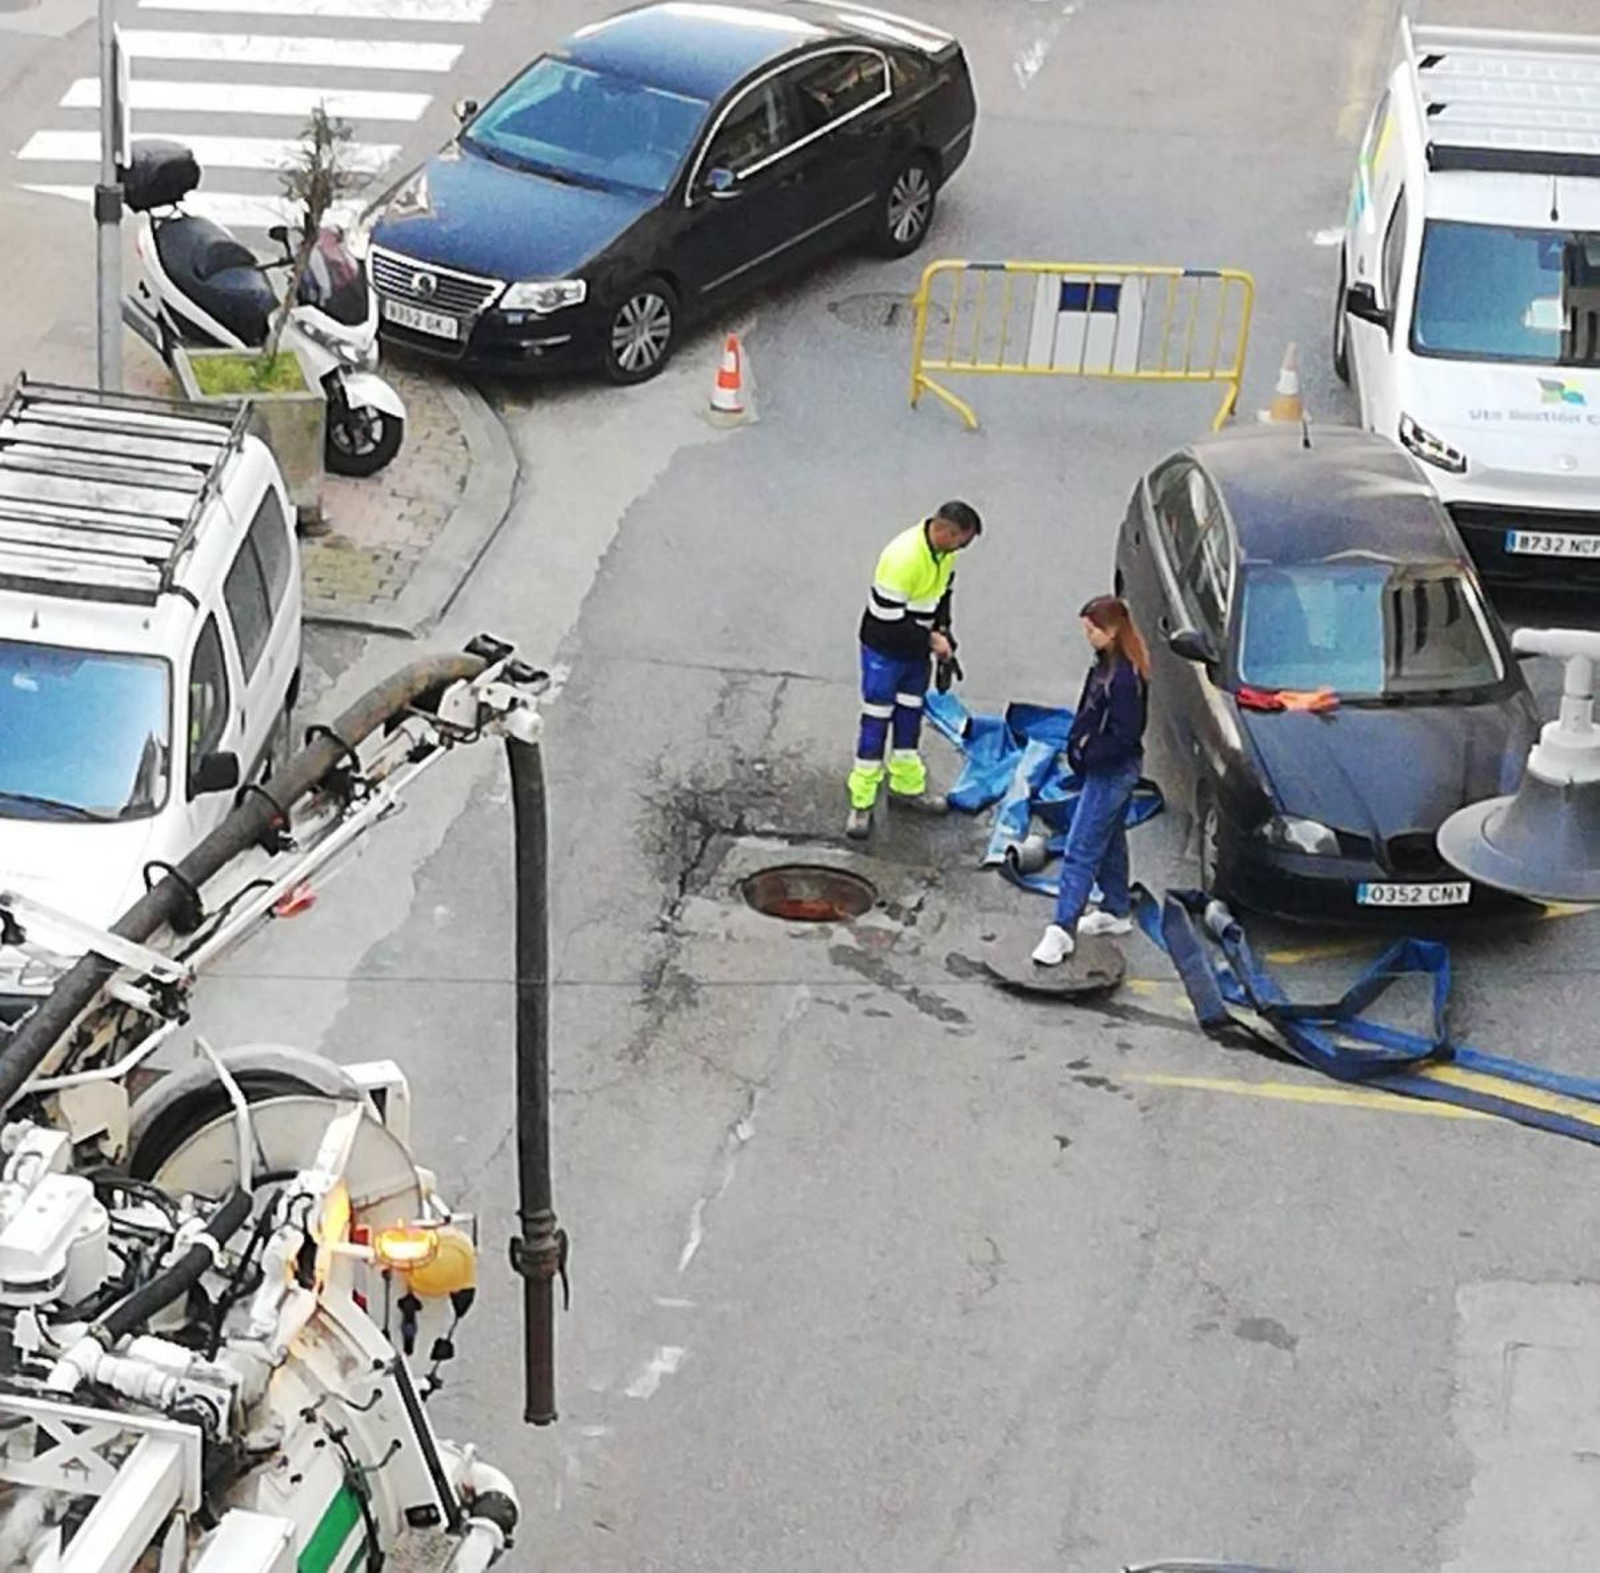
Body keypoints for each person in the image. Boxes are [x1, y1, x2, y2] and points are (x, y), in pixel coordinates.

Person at [847, 501, 983, 839]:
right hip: (884, 652)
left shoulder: (943, 555)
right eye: (962, 542)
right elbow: (886, 621)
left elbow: (942, 596)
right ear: (946, 531)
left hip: (914, 651)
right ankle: (861, 803)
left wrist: (943, 630)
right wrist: (931, 641)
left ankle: (906, 788)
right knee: (876, 722)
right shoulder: (902, 558)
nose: (962, 550)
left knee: (909, 718)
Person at [1033, 595, 1150, 965]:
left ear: (1112, 631)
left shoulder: (1123, 680)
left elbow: (1125, 735)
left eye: (1092, 630)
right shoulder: (1114, 665)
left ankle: (1061, 930)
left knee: (1081, 848)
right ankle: (1115, 910)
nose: (1088, 637)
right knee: (1109, 838)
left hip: (1110, 773)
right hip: (1109, 770)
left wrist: (1086, 753)